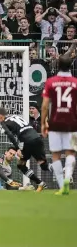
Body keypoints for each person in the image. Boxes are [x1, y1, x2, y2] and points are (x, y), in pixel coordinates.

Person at [41, 55, 77, 195]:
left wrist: (44, 123)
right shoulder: (75, 82)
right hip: (72, 123)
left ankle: (62, 185)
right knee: (71, 152)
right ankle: (68, 178)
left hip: (55, 122)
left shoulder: (51, 82)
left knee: (55, 154)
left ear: (57, 65)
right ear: (71, 66)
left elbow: (45, 106)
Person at [0, 107, 53, 192]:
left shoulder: (4, 122)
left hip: (27, 142)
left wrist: (18, 148)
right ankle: (63, 171)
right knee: (44, 165)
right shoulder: (15, 117)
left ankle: (40, 183)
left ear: (0, 116)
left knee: (21, 165)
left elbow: (10, 135)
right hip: (37, 138)